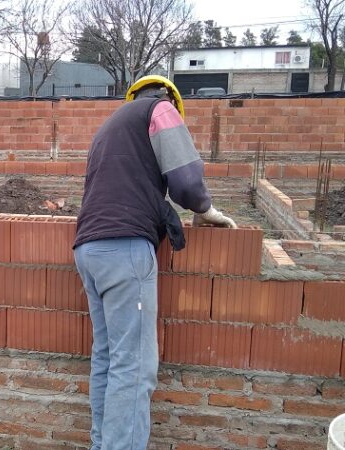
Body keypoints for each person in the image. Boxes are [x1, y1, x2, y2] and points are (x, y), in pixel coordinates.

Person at [72, 75, 236, 450]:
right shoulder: (161, 109)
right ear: (170, 100)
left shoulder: (110, 126)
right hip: (125, 248)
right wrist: (206, 209)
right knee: (135, 367)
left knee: (109, 358)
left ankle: (103, 444)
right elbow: (186, 182)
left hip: (89, 250)